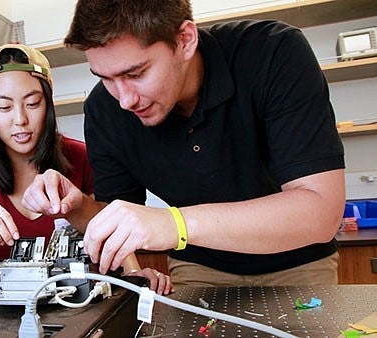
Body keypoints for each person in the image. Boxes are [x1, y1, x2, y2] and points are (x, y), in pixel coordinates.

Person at [22, 0, 346, 286]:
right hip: (198, 268)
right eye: (105, 78)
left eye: (136, 74)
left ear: (185, 41)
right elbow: (115, 215)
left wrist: (173, 222)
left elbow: (321, 211)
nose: (124, 100)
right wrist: (78, 206)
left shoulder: (273, 52)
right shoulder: (104, 111)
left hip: (298, 263)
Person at [0, 43, 171, 294]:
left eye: (32, 103)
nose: (20, 120)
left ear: (48, 105)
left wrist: (134, 274)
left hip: (76, 302)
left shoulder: (81, 156)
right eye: (4, 107)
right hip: (1, 308)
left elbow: (110, 226)